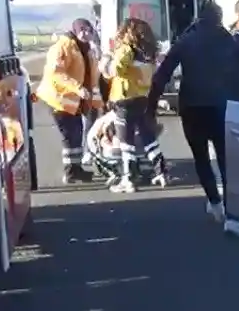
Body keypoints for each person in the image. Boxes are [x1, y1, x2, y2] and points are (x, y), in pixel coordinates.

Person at [146, 1, 239, 236]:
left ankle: (215, 204)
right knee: (225, 159)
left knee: (201, 158)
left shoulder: (186, 41)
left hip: (192, 108)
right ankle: (231, 216)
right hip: (220, 108)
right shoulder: (228, 40)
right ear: (219, 18)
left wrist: (150, 109)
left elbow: (161, 76)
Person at [37, 18, 103, 184]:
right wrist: (78, 88)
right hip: (58, 98)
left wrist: (97, 103)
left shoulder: (87, 50)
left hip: (74, 101)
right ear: (75, 30)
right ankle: (70, 172)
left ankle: (76, 169)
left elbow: (92, 79)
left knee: (76, 132)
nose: (86, 33)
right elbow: (56, 73)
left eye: (89, 30)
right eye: (82, 30)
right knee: (70, 134)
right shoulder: (63, 46)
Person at [107, 18, 169, 193]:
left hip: (125, 98)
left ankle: (128, 179)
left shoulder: (127, 49)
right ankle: (161, 172)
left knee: (126, 141)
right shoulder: (148, 53)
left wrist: (109, 64)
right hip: (142, 97)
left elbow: (116, 69)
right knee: (148, 137)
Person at [84, 107, 125, 186]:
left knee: (98, 155)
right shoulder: (133, 115)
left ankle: (114, 172)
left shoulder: (103, 119)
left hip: (110, 152)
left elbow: (91, 138)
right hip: (128, 151)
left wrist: (95, 153)